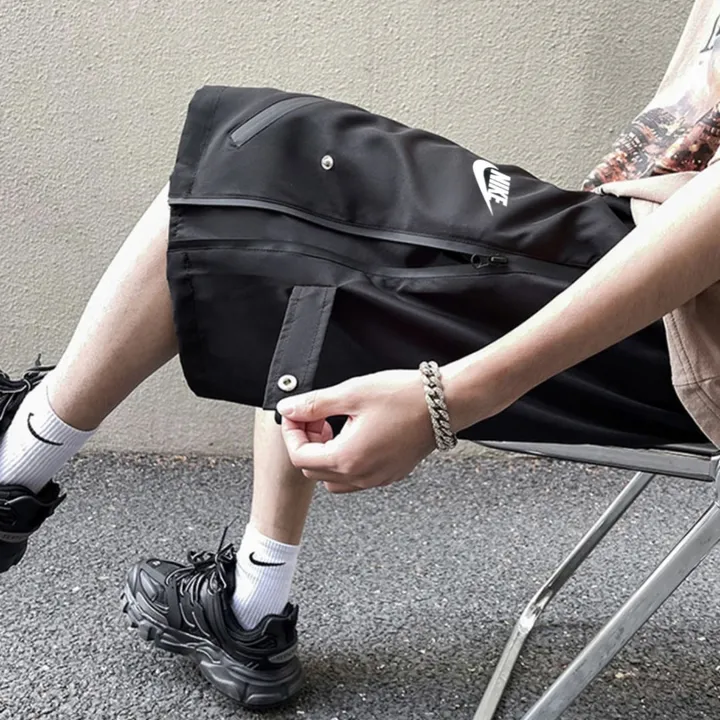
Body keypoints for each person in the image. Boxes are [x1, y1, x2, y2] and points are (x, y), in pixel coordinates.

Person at [2, 0, 720, 710]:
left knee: (266, 163)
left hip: (684, 319)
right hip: (649, 238)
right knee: (295, 216)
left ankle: (19, 461)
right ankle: (248, 609)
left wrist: (452, 396)